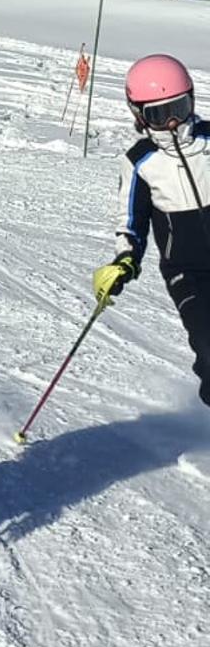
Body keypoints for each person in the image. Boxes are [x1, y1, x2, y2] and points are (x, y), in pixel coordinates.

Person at [94, 54, 210, 405]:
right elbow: (131, 220)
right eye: (160, 114)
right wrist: (125, 258)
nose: (173, 122)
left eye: (179, 107)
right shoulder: (141, 161)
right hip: (187, 273)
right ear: (139, 115)